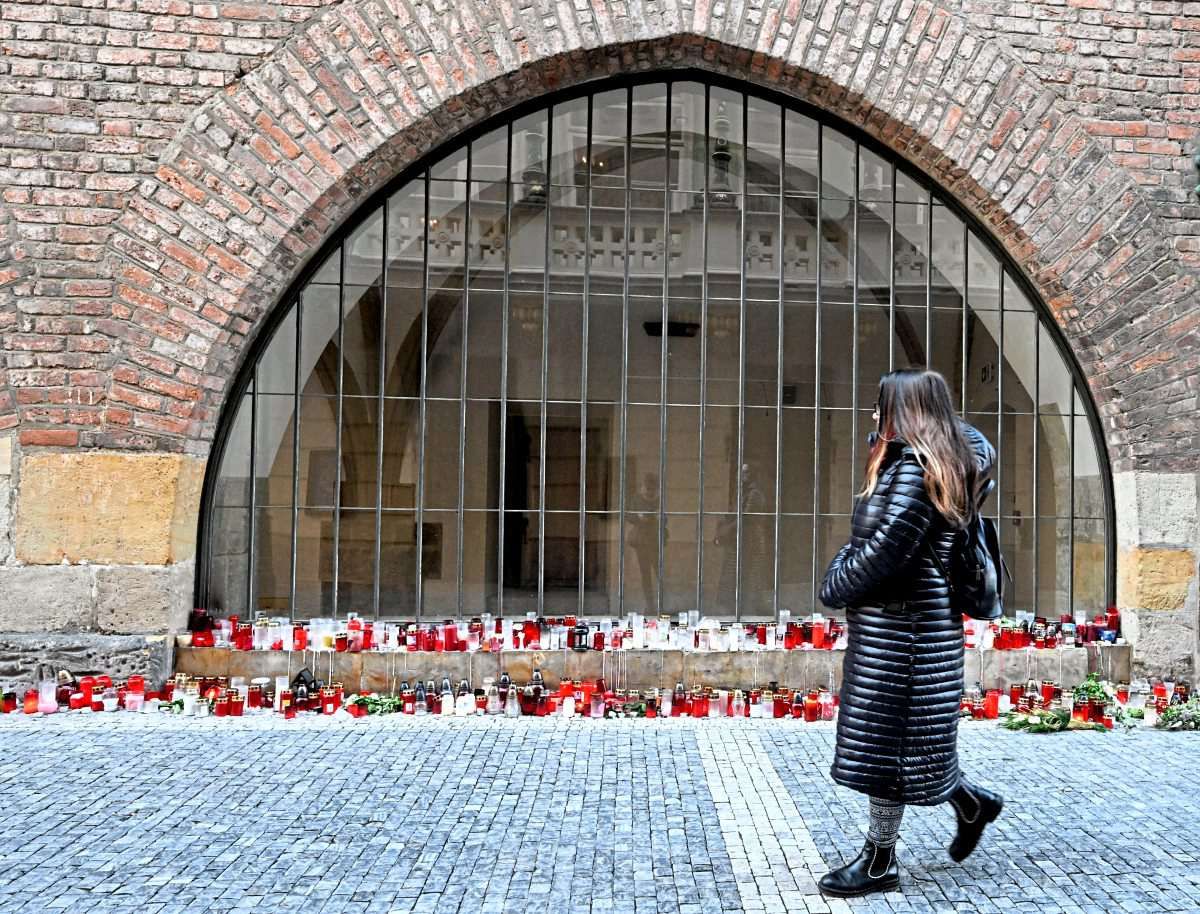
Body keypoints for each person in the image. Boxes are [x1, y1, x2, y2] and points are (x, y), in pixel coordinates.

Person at [816, 369, 1004, 897]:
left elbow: (885, 552)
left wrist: (835, 582)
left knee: (889, 751)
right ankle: (973, 804)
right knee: (909, 742)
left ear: (905, 410)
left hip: (904, 632)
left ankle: (880, 861)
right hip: (912, 627)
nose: (875, 415)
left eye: (883, 406)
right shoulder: (942, 461)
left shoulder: (917, 472)